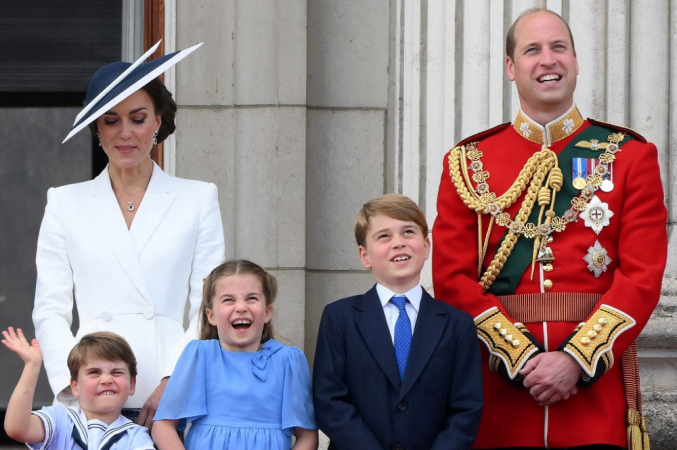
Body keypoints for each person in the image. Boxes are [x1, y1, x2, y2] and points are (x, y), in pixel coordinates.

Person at [432, 8, 667, 450]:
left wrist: (576, 361)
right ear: (510, 67)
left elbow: (641, 276)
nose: (548, 60)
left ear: (575, 61)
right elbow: (451, 279)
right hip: (499, 399)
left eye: (559, 47)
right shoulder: (468, 162)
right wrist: (520, 359)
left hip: (592, 400)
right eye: (532, 50)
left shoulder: (629, 156)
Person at [32, 40, 226, 428]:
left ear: (157, 121)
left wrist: (175, 379)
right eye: (110, 119)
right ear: (95, 127)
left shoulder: (198, 198)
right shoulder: (64, 203)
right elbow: (50, 311)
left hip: (169, 392)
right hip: (89, 394)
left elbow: (210, 305)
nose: (125, 133)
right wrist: (75, 385)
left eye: (137, 118)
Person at [313, 194, 483, 450]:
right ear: (364, 255)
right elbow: (329, 400)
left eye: (408, 232)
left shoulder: (456, 324)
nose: (398, 243)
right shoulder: (340, 318)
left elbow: (466, 408)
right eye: (384, 236)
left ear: (425, 247)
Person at [152, 259, 318, 450]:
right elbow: (163, 425)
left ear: (267, 312)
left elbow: (307, 435)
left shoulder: (288, 361)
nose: (241, 307)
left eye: (251, 298)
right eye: (229, 300)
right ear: (211, 315)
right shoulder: (199, 356)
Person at [3, 328, 154, 449]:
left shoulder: (136, 436)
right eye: (94, 372)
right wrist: (32, 365)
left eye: (116, 372)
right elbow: (17, 429)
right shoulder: (59, 420)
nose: (107, 380)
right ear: (75, 386)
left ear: (132, 384)